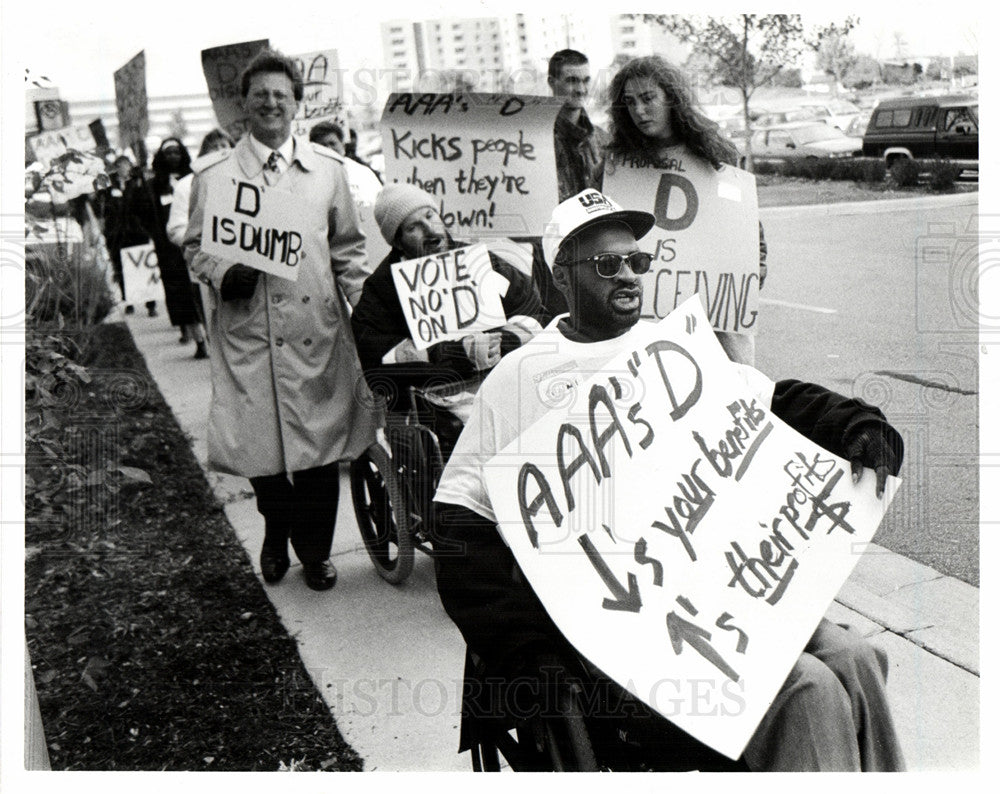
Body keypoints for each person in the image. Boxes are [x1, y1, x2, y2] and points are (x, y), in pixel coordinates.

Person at [431, 189, 905, 772]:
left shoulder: (670, 344)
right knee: (807, 687)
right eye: (608, 265)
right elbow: (459, 518)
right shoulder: (521, 377)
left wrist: (854, 424)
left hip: (721, 590)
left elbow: (771, 400)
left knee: (855, 657)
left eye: (638, 260)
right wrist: (524, 647)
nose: (629, 274)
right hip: (621, 624)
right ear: (561, 277)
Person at [183, 49, 377, 591]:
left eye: (281, 95)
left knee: (318, 452)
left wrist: (368, 317)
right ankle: (275, 531)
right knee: (262, 450)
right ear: (242, 104)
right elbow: (195, 247)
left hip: (316, 334)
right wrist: (223, 273)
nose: (271, 103)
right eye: (259, 94)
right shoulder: (216, 176)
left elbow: (349, 255)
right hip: (250, 336)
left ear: (296, 103)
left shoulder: (327, 172)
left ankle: (314, 552)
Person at [350, 183, 547, 456]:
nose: (430, 231)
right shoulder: (382, 290)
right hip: (431, 406)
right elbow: (378, 361)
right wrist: (456, 354)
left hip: (501, 384)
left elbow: (530, 306)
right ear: (397, 241)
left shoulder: (479, 263)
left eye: (430, 216)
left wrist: (506, 341)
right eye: (413, 227)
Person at [605, 55, 768, 366]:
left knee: (730, 398)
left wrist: (749, 275)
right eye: (630, 102)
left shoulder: (715, 152)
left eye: (648, 98)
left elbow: (747, 227)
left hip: (716, 322)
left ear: (672, 98)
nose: (639, 110)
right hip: (644, 319)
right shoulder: (616, 166)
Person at [130, 138, 206, 347]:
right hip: (167, 246)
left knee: (195, 286)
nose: (173, 157)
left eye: (176, 152)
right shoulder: (155, 184)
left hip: (191, 241)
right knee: (177, 287)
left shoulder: (193, 179)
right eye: (169, 153)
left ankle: (201, 330)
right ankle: (187, 327)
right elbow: (140, 210)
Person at [166, 129, 234, 357]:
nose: (222, 153)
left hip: (242, 267)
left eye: (226, 147)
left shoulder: (247, 181)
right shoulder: (188, 184)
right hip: (206, 268)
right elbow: (176, 229)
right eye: (216, 149)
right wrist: (205, 241)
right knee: (214, 322)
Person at [549, 49, 606, 203]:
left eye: (586, 80)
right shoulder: (540, 141)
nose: (581, 89)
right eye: (572, 80)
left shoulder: (603, 139)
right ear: (552, 82)